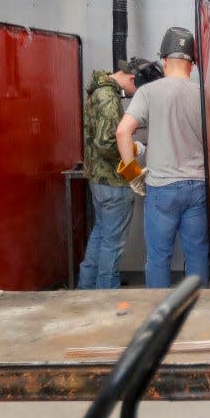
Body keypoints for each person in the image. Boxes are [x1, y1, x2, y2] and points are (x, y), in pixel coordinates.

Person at [115, 27, 209, 288]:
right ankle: (200, 311)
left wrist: (133, 174)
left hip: (161, 188)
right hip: (198, 185)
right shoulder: (205, 94)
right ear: (193, 64)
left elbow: (123, 132)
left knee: (158, 257)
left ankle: (160, 315)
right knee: (198, 254)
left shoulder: (148, 92)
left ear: (164, 61)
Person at [78, 57, 157, 290]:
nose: (135, 96)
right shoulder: (109, 97)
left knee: (100, 237)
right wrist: (134, 150)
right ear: (132, 78)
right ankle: (107, 296)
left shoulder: (97, 90)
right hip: (113, 182)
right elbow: (107, 142)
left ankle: (86, 291)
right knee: (112, 245)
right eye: (138, 91)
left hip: (98, 180)